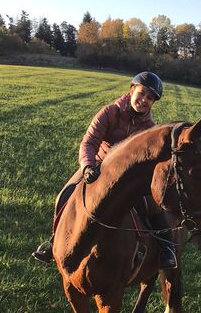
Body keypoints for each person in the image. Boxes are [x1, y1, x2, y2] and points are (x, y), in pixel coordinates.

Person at [32, 71, 176, 268]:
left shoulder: (149, 128)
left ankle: (166, 248)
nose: (144, 100)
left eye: (150, 98)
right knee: (64, 195)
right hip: (97, 167)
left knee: (153, 206)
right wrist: (88, 166)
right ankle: (53, 242)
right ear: (132, 90)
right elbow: (89, 142)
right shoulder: (109, 112)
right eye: (142, 94)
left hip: (128, 177)